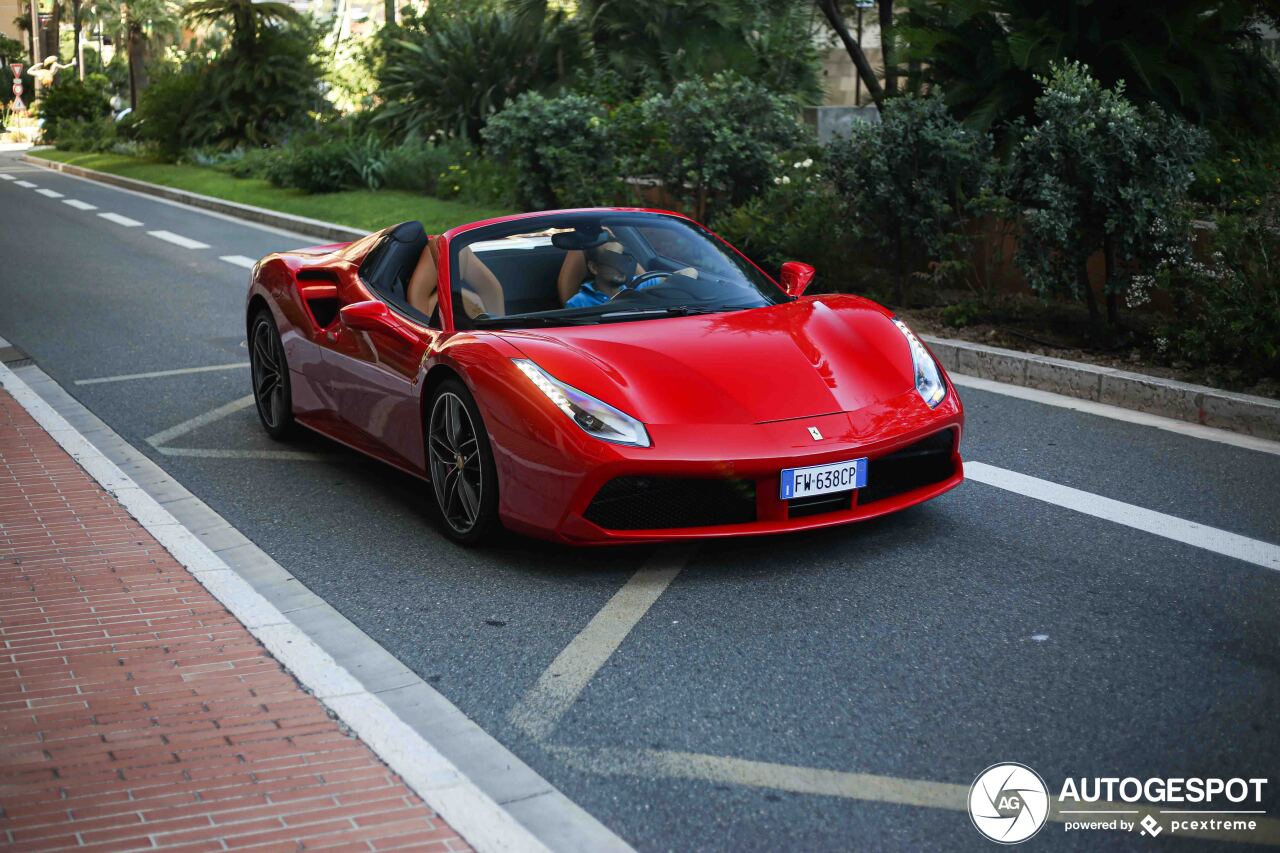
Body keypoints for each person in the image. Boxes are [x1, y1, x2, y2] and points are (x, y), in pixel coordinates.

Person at [565, 242, 656, 308]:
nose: (620, 267)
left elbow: (668, 279)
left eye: (622, 260)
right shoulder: (578, 303)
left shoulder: (637, 285)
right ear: (594, 268)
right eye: (613, 261)